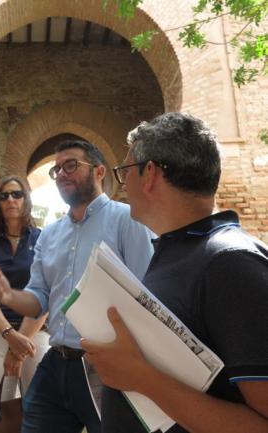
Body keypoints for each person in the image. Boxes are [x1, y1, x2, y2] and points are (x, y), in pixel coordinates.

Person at [81, 112, 268, 433]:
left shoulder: (231, 262)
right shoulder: (177, 253)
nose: (123, 186)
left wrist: (142, 378)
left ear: (149, 173)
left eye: (125, 172)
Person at [0, 139, 154, 433]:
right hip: (56, 363)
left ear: (100, 172)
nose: (61, 173)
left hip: (106, 366)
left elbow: (147, 295)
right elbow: (39, 299)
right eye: (56, 169)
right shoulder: (49, 235)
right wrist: (10, 296)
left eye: (71, 165)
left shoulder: (127, 221)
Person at [0, 176, 49, 405]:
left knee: (37, 411)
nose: (10, 200)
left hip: (35, 335)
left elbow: (47, 292)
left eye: (17, 194)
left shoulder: (43, 239)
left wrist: (18, 346)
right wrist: (9, 334)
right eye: (3, 196)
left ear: (26, 199)